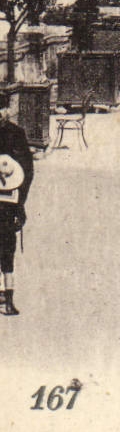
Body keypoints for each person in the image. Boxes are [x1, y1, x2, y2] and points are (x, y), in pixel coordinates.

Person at [0, 98, 34, 317]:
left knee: (7, 248)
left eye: (2, 108)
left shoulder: (17, 133)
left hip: (9, 201)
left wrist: (21, 202)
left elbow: (27, 170)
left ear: (8, 110)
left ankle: (9, 298)